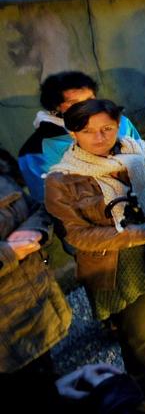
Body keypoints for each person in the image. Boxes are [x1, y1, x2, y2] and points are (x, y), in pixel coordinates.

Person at [45, 99, 145, 376]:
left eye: (107, 128)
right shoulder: (61, 180)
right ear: (73, 133)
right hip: (115, 266)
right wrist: (136, 234)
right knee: (139, 337)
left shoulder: (139, 151)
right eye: (88, 131)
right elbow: (77, 235)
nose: (100, 137)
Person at [0, 166, 72, 405]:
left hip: (38, 311)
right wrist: (8, 252)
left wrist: (36, 231)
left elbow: (37, 209)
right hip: (6, 343)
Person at [18, 71, 143, 202]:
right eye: (74, 104)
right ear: (55, 108)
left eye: (90, 100)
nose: (88, 108)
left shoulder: (120, 123)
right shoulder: (34, 151)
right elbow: (51, 201)